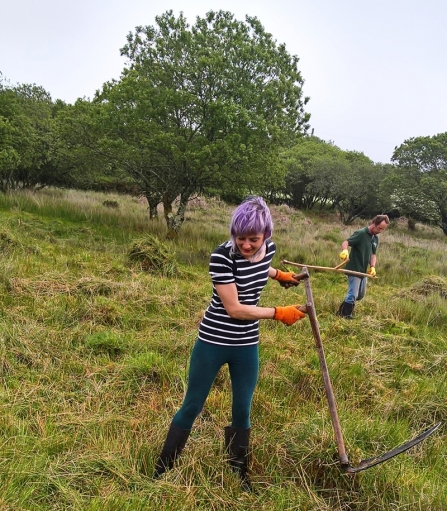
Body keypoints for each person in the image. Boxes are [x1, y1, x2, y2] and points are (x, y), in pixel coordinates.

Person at [152, 196, 307, 490]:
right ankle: (164, 468)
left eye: (253, 239)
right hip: (213, 341)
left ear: (266, 237)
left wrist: (278, 275)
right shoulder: (221, 256)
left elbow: (262, 265)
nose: (246, 245)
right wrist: (278, 313)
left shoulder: (268, 249)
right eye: (240, 238)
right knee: (193, 405)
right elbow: (235, 309)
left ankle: (238, 473)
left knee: (242, 409)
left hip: (246, 346)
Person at [337, 214, 390, 319]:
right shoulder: (361, 233)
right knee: (353, 295)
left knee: (360, 295)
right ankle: (345, 315)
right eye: (380, 228)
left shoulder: (375, 239)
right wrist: (344, 250)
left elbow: (373, 254)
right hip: (354, 269)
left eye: (383, 229)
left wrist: (373, 267)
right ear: (374, 223)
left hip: (364, 271)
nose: (380, 231)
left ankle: (341, 310)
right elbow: (346, 242)